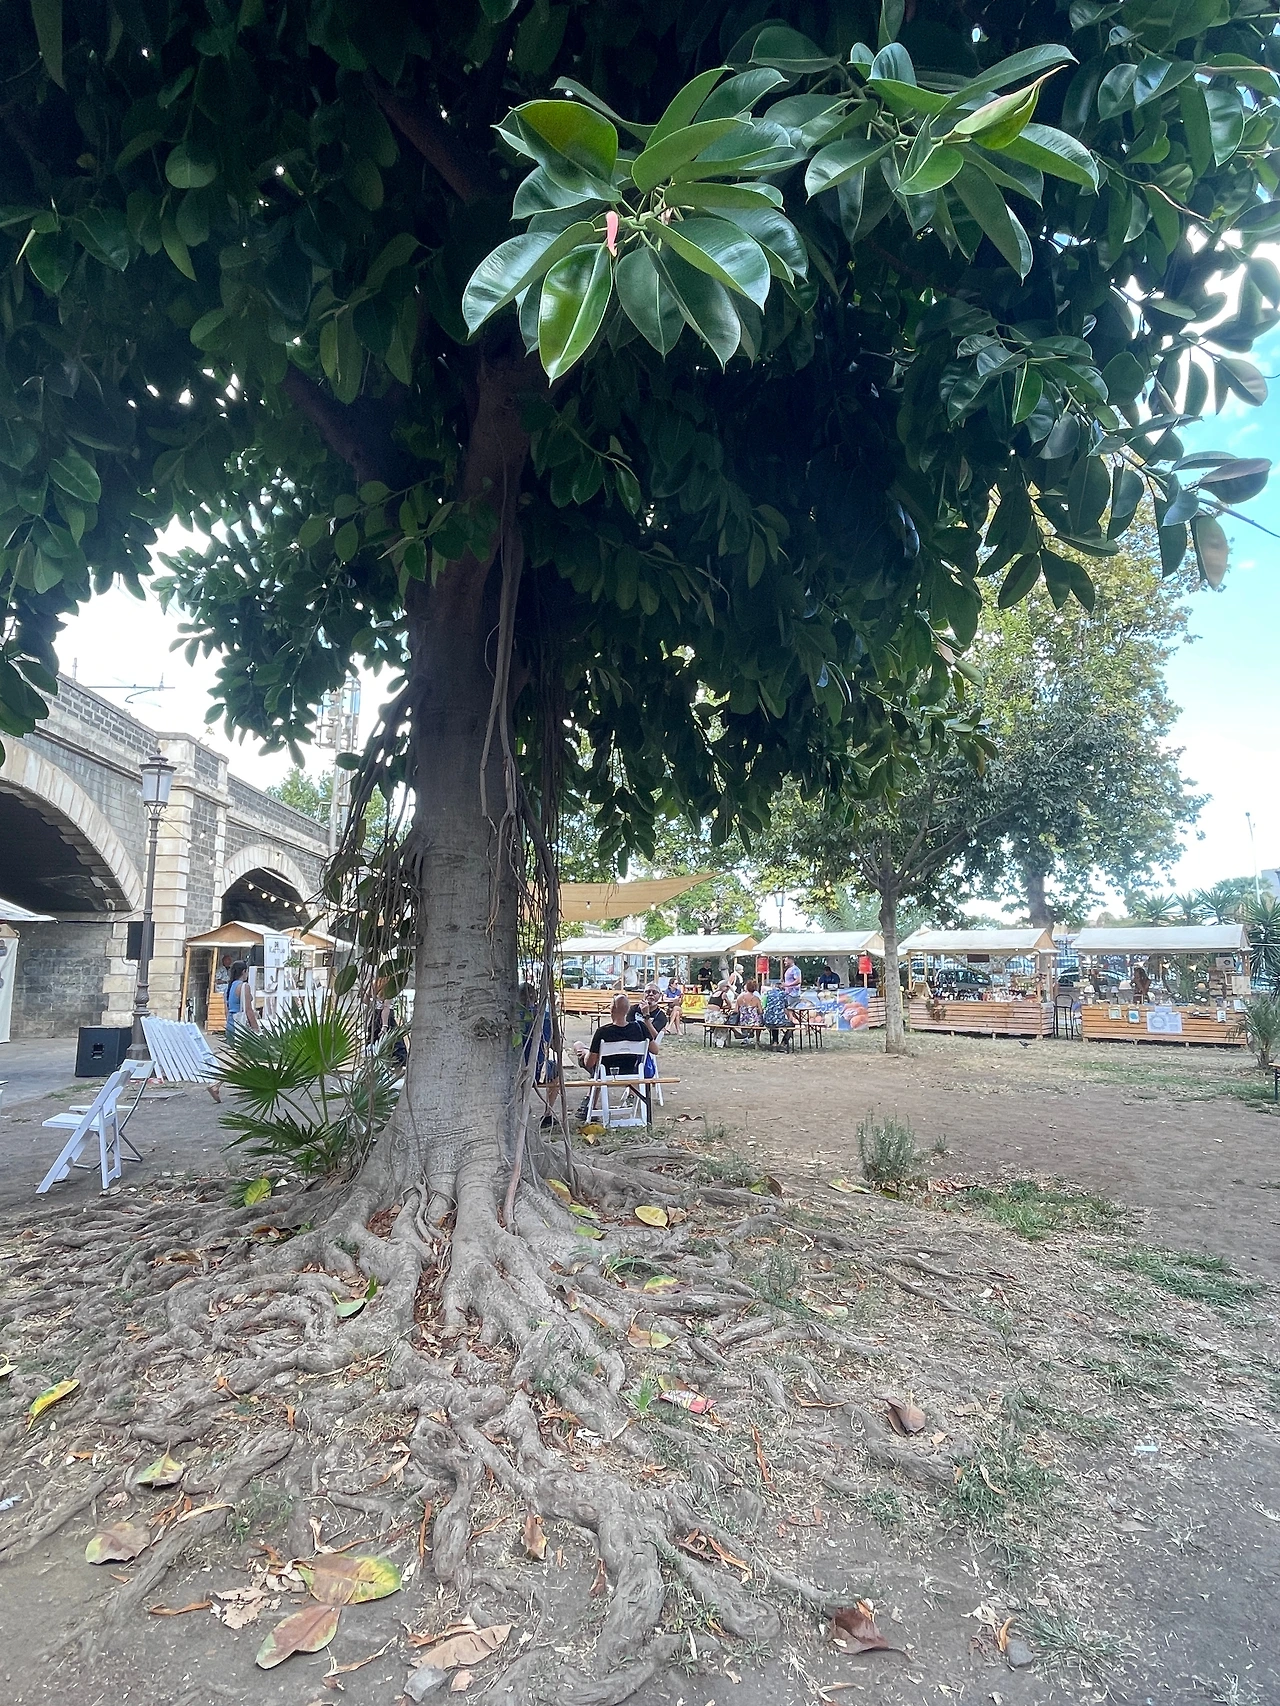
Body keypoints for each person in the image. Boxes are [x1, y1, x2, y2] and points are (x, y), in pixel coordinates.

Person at [225, 960, 259, 1040]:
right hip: (240, 1025)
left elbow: (226, 1011)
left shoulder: (228, 988)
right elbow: (248, 1010)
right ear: (244, 971)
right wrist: (256, 1029)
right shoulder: (244, 986)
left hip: (230, 1023)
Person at [762, 982, 796, 1049]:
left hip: (768, 1021)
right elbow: (786, 1005)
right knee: (791, 1025)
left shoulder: (768, 993)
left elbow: (764, 1005)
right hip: (779, 1021)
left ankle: (775, 1042)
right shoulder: (783, 994)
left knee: (774, 1022)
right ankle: (784, 1042)